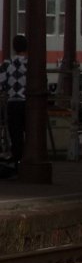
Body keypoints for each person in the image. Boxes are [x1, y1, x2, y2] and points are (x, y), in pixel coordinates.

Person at [1, 34, 28, 173]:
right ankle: (28, 160)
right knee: (29, 132)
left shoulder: (7, 64)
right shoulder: (31, 64)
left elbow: (1, 83)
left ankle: (17, 162)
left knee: (15, 134)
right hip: (28, 104)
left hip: (13, 103)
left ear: (14, 47)